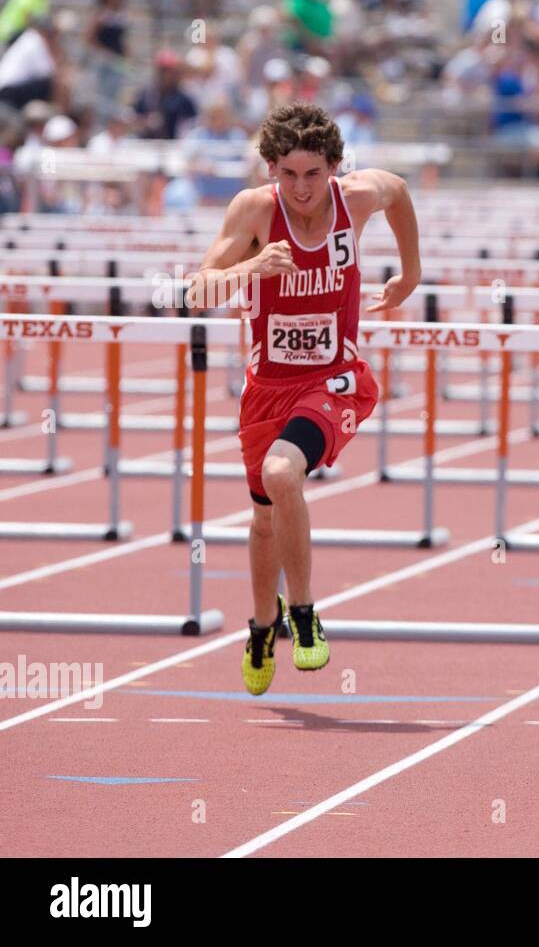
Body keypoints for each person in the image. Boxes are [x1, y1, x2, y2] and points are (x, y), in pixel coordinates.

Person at [187, 101, 421, 696]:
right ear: (271, 170)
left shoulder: (357, 198)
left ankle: (305, 612)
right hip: (267, 388)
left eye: (313, 174)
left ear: (334, 169)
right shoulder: (255, 210)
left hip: (335, 378)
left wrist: (409, 274)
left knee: (282, 473)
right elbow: (195, 291)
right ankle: (262, 625)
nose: (300, 188)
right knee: (264, 517)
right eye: (287, 175)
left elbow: (397, 191)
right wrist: (252, 268)